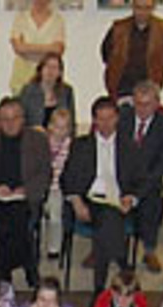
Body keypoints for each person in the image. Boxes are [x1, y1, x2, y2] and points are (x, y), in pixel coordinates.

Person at [62, 97, 146, 295]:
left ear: (117, 118)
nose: (106, 124)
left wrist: (131, 197)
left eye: (110, 118)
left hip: (119, 201)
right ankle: (123, 266)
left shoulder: (129, 146)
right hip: (91, 200)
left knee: (106, 227)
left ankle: (99, 290)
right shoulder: (81, 145)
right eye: (101, 119)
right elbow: (68, 178)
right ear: (94, 120)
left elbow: (141, 180)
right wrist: (76, 201)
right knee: (108, 220)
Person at [0, 100, 49, 288]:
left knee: (12, 220)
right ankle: (29, 264)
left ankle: (3, 271)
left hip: (25, 198)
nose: (10, 123)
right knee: (16, 219)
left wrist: (26, 189)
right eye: (4, 119)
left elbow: (45, 173)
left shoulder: (38, 140)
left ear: (23, 119)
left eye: (15, 118)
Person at [116, 81, 163, 274]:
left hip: (149, 181)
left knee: (153, 203)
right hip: (121, 177)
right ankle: (103, 247)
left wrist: (136, 195)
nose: (142, 109)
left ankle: (149, 250)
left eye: (147, 104)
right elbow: (112, 152)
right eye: (138, 104)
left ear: (157, 103)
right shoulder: (122, 118)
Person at [100, 0, 163, 98]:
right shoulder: (118, 28)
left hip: (150, 83)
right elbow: (106, 52)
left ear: (153, 8)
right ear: (132, 7)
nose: (142, 12)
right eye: (138, 7)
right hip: (122, 84)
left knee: (148, 107)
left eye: (147, 8)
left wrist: (158, 65)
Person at [9, 0, 66, 97]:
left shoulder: (58, 20)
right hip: (22, 75)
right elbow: (18, 48)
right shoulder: (21, 18)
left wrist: (27, 48)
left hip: (49, 77)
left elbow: (58, 50)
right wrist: (47, 49)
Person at [20, 52, 76, 133]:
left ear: (60, 72)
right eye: (47, 66)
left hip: (59, 137)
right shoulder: (28, 91)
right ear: (41, 69)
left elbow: (71, 123)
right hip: (34, 137)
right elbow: (21, 119)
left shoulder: (67, 92)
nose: (50, 71)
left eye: (54, 67)